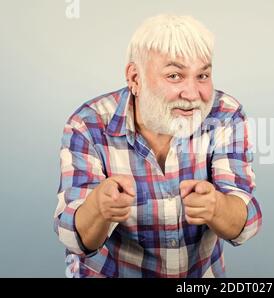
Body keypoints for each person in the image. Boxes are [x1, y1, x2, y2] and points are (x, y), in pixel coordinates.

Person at [53, 14, 262, 278]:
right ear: (135, 78)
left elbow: (246, 223)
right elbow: (73, 239)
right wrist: (98, 208)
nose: (192, 93)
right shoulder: (87, 126)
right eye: (175, 75)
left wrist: (218, 207)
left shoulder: (225, 115)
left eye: (203, 75)